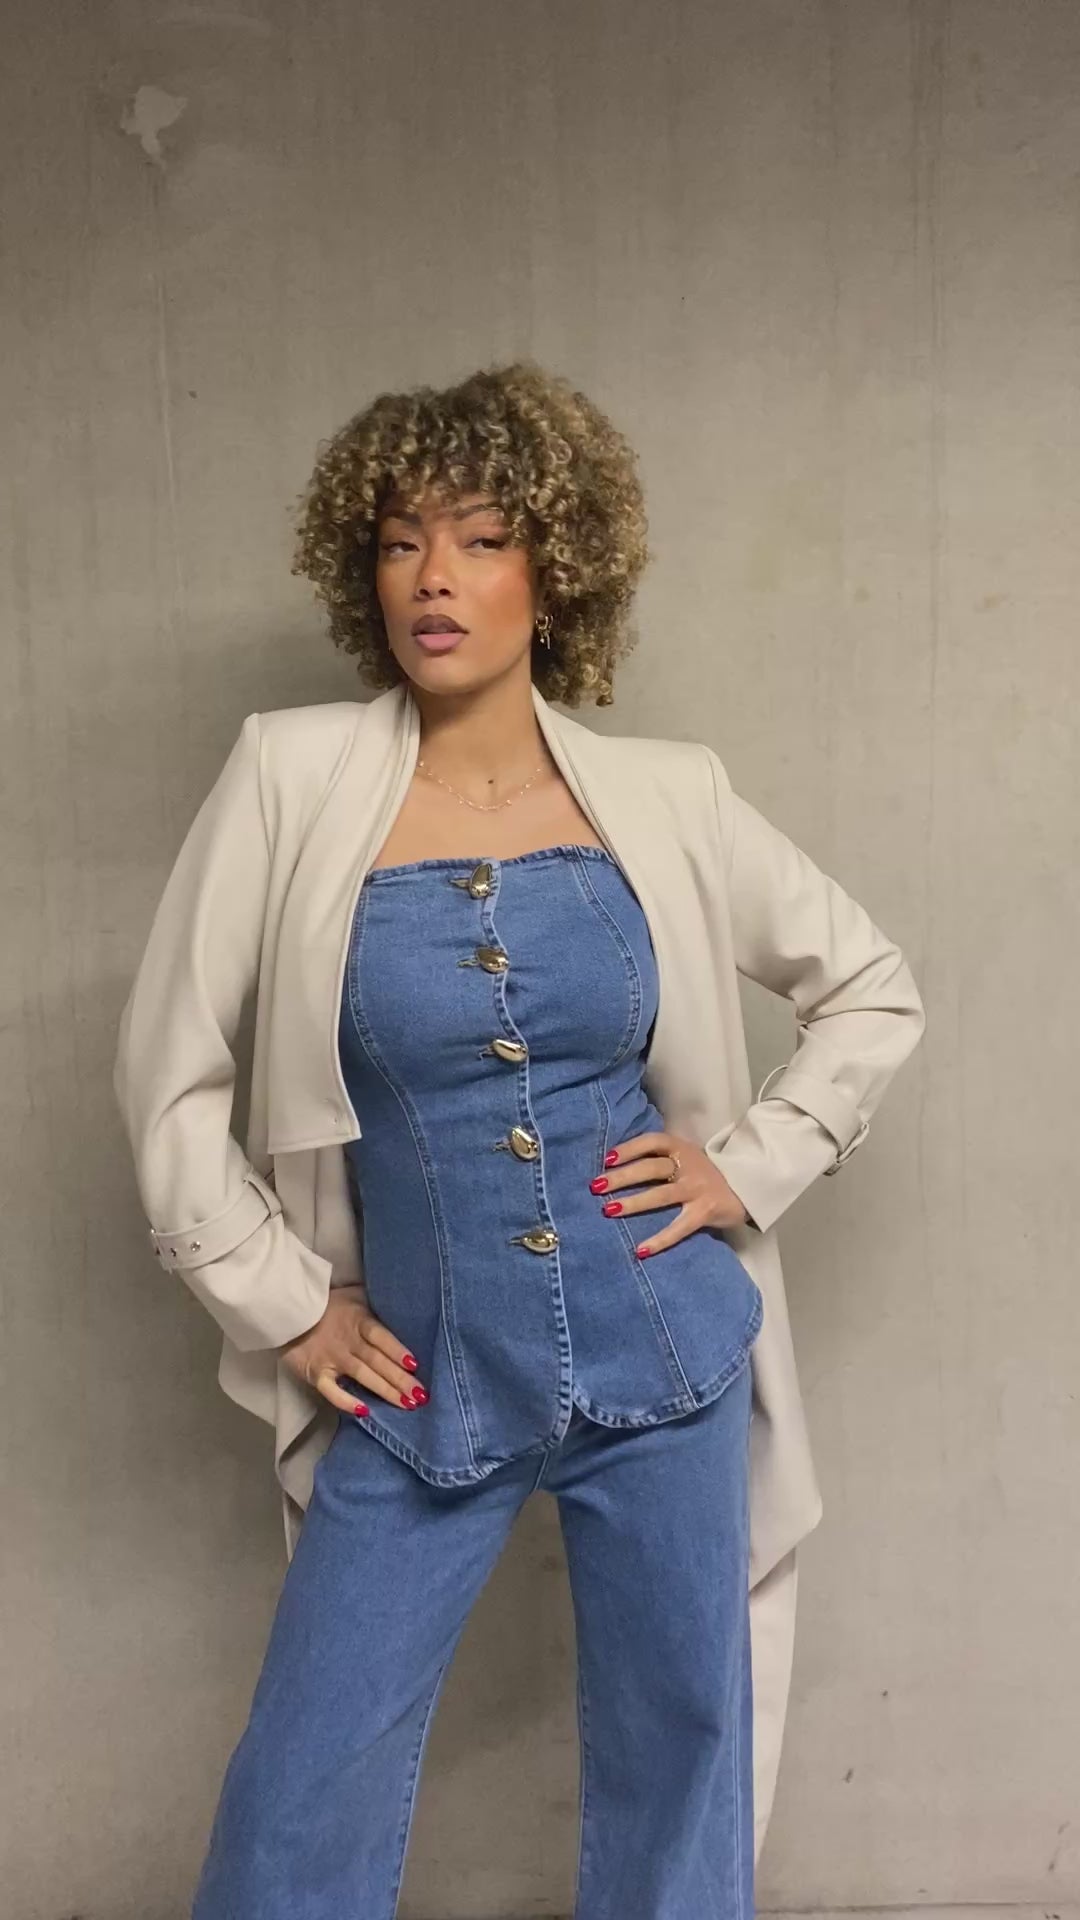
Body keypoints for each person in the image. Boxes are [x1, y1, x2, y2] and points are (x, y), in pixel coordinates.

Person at [113, 360, 925, 1919]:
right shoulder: (290, 776)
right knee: (303, 1784)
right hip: (422, 1373)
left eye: (482, 538)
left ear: (556, 571)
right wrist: (282, 1302)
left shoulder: (668, 795)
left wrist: (748, 1165)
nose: (434, 576)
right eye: (401, 540)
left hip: (667, 1351)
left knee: (683, 1761)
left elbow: (871, 986)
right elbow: (166, 1071)